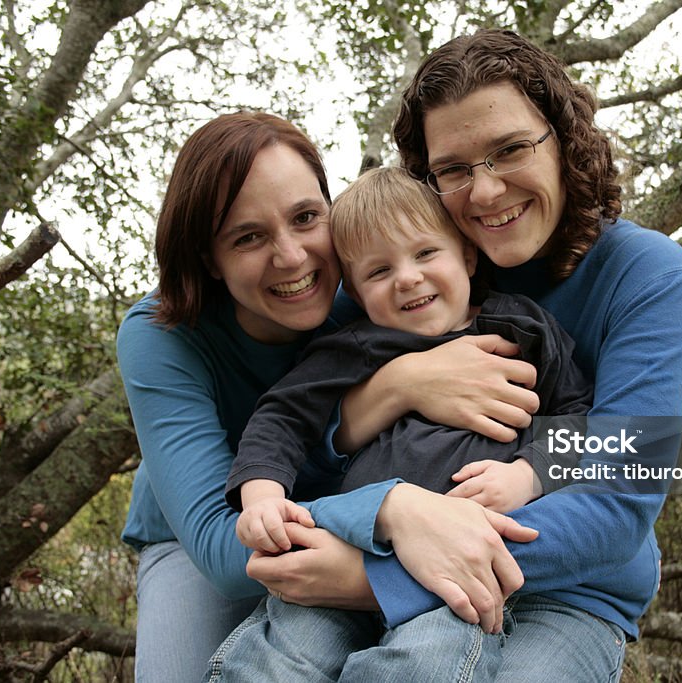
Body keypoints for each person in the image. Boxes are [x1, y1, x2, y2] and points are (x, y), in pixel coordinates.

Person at [221, 28, 682, 682]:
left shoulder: (644, 274)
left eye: (510, 150)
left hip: (567, 584)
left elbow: (619, 493)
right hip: (392, 540)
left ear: (563, 138)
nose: (486, 191)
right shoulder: (399, 280)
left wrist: (375, 575)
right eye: (452, 169)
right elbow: (296, 431)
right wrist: (398, 385)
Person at [117, 112, 540, 683]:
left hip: (347, 511)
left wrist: (531, 472)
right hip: (218, 535)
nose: (292, 258)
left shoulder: (372, 292)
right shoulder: (160, 334)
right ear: (207, 258)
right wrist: (391, 494)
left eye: (306, 218)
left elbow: (603, 433)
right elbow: (224, 550)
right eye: (248, 237)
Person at [215, 167, 591, 681]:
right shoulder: (354, 347)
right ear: (355, 292)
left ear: (466, 253)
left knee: (428, 660)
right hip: (348, 546)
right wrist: (262, 497)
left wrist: (527, 474)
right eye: (378, 271)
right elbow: (282, 417)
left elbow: (580, 422)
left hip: (455, 563)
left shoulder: (522, 329)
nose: (407, 277)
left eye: (425, 253)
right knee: (280, 656)